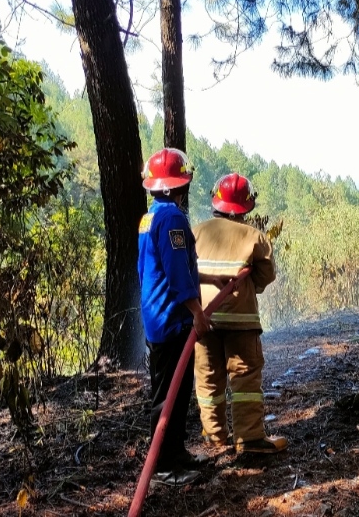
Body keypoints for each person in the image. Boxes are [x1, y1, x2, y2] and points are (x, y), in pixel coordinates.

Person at [192, 173, 288, 454]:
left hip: (202, 320)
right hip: (242, 322)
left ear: (217, 202)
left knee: (208, 378)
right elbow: (266, 274)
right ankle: (249, 439)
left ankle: (214, 438)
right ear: (246, 207)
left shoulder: (196, 232)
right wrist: (250, 289)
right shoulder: (254, 237)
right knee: (244, 379)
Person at [137, 147, 211, 486]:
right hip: (172, 318)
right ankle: (163, 468)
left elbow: (152, 269)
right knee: (168, 395)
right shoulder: (172, 219)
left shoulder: (150, 216)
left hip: (157, 317)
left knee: (176, 391)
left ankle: (175, 452)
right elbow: (179, 271)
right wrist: (197, 312)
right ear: (174, 187)